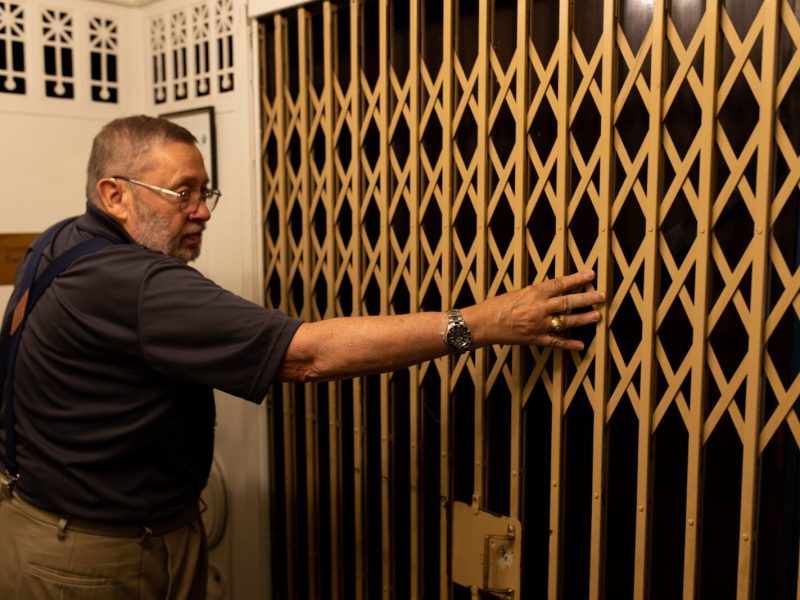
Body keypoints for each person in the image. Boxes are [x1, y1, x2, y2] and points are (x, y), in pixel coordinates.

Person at [0, 115, 605, 598]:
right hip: (94, 557)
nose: (203, 211)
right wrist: (484, 321)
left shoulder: (63, 239)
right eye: (180, 193)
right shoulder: (134, 285)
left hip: (51, 523)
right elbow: (308, 354)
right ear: (115, 195)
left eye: (204, 191)